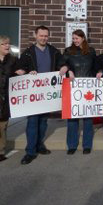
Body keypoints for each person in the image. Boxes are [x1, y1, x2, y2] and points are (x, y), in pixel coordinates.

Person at [15, 26, 66, 164]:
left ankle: (39, 145)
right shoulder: (28, 53)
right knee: (32, 122)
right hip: (33, 94)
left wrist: (64, 68)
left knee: (43, 121)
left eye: (46, 36)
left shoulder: (53, 51)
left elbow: (63, 63)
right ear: (35, 35)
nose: (44, 38)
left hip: (47, 94)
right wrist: (25, 72)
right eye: (41, 35)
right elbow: (19, 69)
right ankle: (30, 152)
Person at [60, 30, 97, 155]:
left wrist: (100, 72)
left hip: (88, 87)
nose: (75, 40)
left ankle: (87, 145)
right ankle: (72, 145)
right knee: (72, 117)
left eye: (77, 38)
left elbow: (96, 66)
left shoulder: (91, 51)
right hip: (73, 87)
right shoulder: (68, 51)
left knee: (87, 118)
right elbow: (61, 64)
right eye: (73, 38)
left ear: (83, 38)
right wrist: (68, 69)